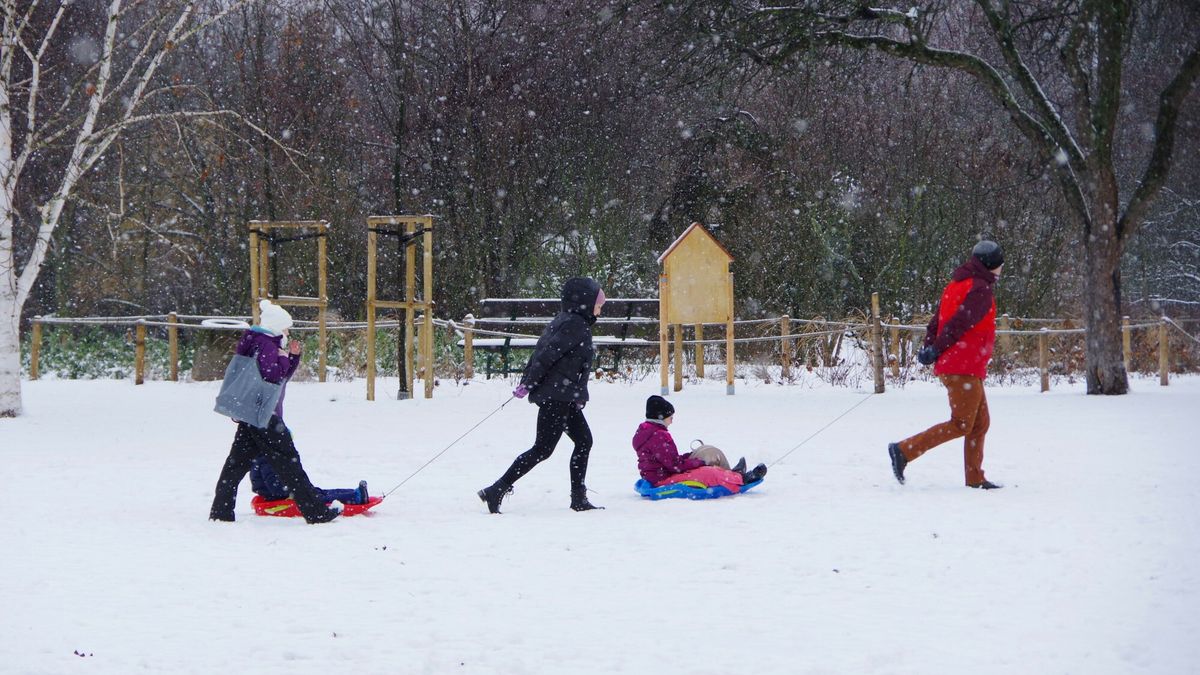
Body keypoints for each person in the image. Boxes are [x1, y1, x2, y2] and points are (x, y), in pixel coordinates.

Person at [477, 277, 605, 513]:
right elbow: (546, 355)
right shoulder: (574, 324)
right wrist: (529, 383)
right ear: (585, 302)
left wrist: (576, 394)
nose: (601, 307)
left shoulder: (568, 321)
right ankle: (497, 489)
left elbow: (556, 356)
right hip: (556, 397)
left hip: (563, 396)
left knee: (583, 441)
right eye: (598, 302)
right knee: (543, 449)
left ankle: (578, 498)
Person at [209, 300, 342, 523]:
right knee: (290, 462)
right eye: (286, 328)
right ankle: (315, 512)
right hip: (265, 415)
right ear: (277, 326)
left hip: (251, 413)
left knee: (236, 464)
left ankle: (220, 511)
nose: (288, 332)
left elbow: (277, 378)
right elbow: (272, 375)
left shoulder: (256, 341)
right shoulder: (268, 346)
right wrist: (282, 357)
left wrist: (292, 358)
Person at [888, 240, 1005, 490]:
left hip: (962, 364)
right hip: (962, 364)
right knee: (962, 424)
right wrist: (936, 348)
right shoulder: (980, 289)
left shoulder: (956, 285)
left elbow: (936, 321)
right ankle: (904, 450)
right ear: (990, 265)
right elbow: (959, 323)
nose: (1001, 268)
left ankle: (975, 477)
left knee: (979, 423)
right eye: (999, 264)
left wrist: (930, 347)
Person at [634, 395, 767, 493]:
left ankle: (734, 474)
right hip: (662, 480)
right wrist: (697, 462)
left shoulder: (649, 432)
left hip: (659, 475)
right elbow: (675, 466)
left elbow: (668, 460)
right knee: (708, 473)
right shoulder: (658, 435)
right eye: (671, 418)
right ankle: (742, 478)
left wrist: (689, 456)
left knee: (704, 464)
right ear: (661, 417)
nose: (672, 422)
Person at [249, 456, 370, 506]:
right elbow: (274, 487)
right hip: (278, 497)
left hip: (282, 493)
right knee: (315, 499)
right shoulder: (267, 461)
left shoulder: (265, 458)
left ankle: (354, 492)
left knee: (319, 491)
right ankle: (355, 497)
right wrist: (291, 489)